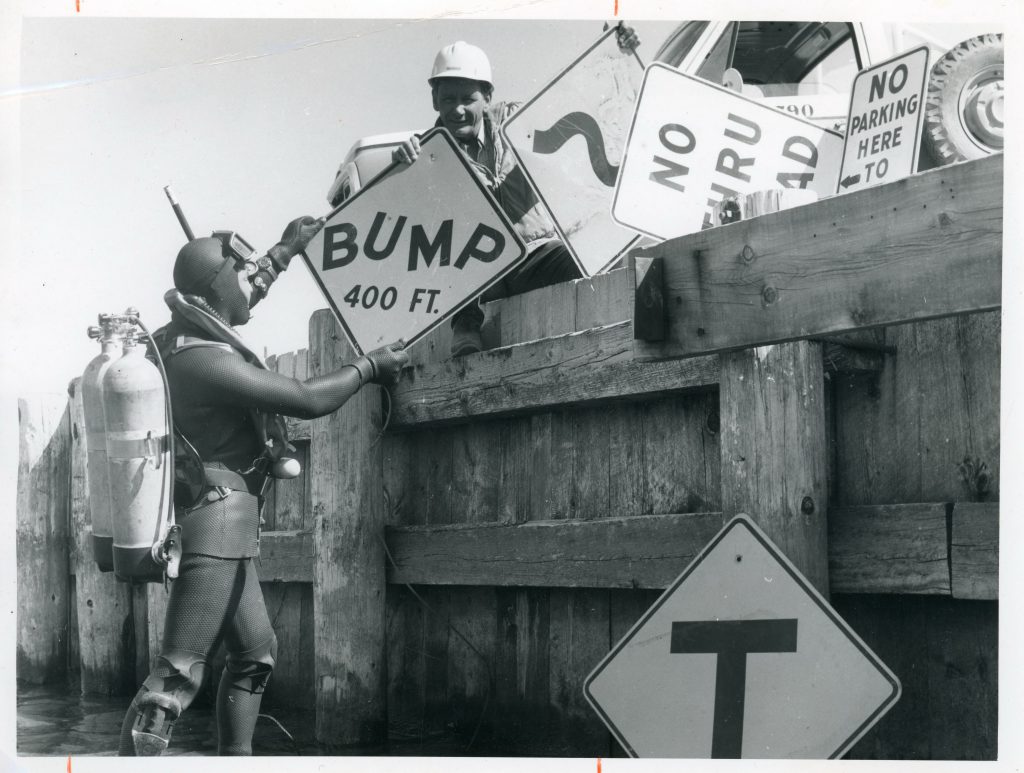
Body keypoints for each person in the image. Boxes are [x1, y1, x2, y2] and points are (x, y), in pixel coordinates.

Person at [118, 216, 409, 756]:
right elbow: (305, 398)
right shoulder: (198, 358)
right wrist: (370, 366)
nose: (250, 280)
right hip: (216, 523)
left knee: (255, 655)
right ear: (215, 289)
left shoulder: (190, 329)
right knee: (174, 679)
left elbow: (246, 291)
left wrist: (287, 248)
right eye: (239, 273)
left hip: (226, 520)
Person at [392, 23, 640, 356]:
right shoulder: (427, 155)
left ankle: (617, 335)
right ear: (434, 99)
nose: (458, 108)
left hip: (534, 257)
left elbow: (584, 108)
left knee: (589, 256)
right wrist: (403, 170)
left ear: (488, 97)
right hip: (481, 276)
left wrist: (617, 56)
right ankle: (465, 327)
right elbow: (406, 227)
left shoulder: (517, 120)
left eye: (468, 98)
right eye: (448, 98)